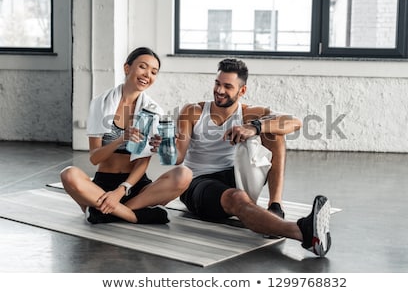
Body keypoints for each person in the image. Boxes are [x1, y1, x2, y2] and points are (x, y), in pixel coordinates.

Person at [175, 58, 332, 257]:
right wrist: (164, 145)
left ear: (242, 91)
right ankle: (303, 233)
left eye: (227, 86)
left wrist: (254, 127)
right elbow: (178, 157)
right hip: (198, 183)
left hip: (236, 176)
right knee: (236, 198)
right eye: (217, 83)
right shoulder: (193, 111)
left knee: (272, 132)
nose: (220, 90)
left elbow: (295, 122)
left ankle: (275, 206)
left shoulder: (249, 113)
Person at [60, 47, 192, 224]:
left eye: (154, 72)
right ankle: (134, 215)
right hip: (103, 183)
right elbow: (94, 158)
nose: (147, 75)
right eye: (143, 67)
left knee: (184, 175)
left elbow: (142, 162)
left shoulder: (154, 111)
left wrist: (122, 190)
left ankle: (103, 211)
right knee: (68, 174)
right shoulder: (100, 103)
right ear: (127, 68)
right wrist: (121, 139)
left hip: (135, 185)